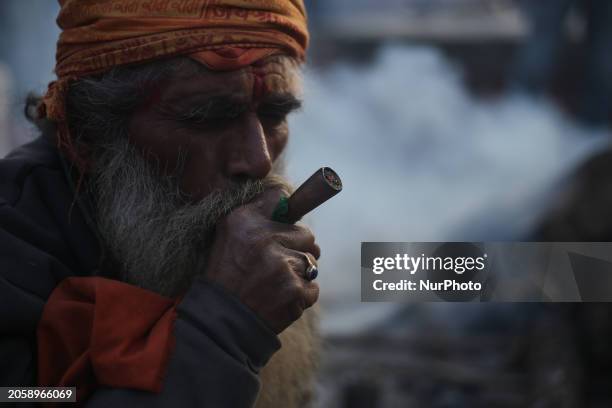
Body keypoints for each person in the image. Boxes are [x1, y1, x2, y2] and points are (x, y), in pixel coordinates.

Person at [0, 1, 321, 407]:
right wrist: (226, 327)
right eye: (207, 117)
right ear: (87, 135)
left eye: (274, 115)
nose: (258, 161)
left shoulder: (264, 259)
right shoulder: (12, 251)